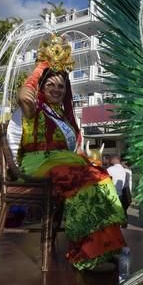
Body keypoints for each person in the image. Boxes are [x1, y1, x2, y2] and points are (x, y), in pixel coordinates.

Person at [15, 34, 126, 271]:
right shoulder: (35, 107)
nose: (56, 89)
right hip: (38, 162)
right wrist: (41, 68)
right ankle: (85, 253)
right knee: (83, 179)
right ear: (41, 86)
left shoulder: (63, 115)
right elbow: (25, 95)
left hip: (62, 162)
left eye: (61, 86)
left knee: (101, 177)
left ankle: (104, 248)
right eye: (50, 84)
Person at [107, 155, 132, 219]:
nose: (110, 160)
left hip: (111, 195)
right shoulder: (125, 171)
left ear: (115, 160)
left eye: (111, 159)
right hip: (120, 195)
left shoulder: (110, 169)